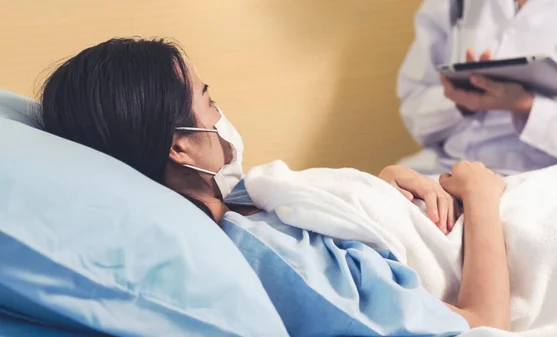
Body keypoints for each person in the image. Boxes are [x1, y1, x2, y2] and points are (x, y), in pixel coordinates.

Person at [40, 38, 510, 335]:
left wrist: (382, 189)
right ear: (180, 147)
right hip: (498, 223)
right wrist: (482, 196)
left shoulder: (238, 198)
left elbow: (331, 212)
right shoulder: (277, 263)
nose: (220, 116)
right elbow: (482, 324)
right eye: (209, 101)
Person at [398, 0, 557, 175]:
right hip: (447, 168)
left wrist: (528, 106)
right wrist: (463, 103)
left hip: (547, 178)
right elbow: (413, 107)